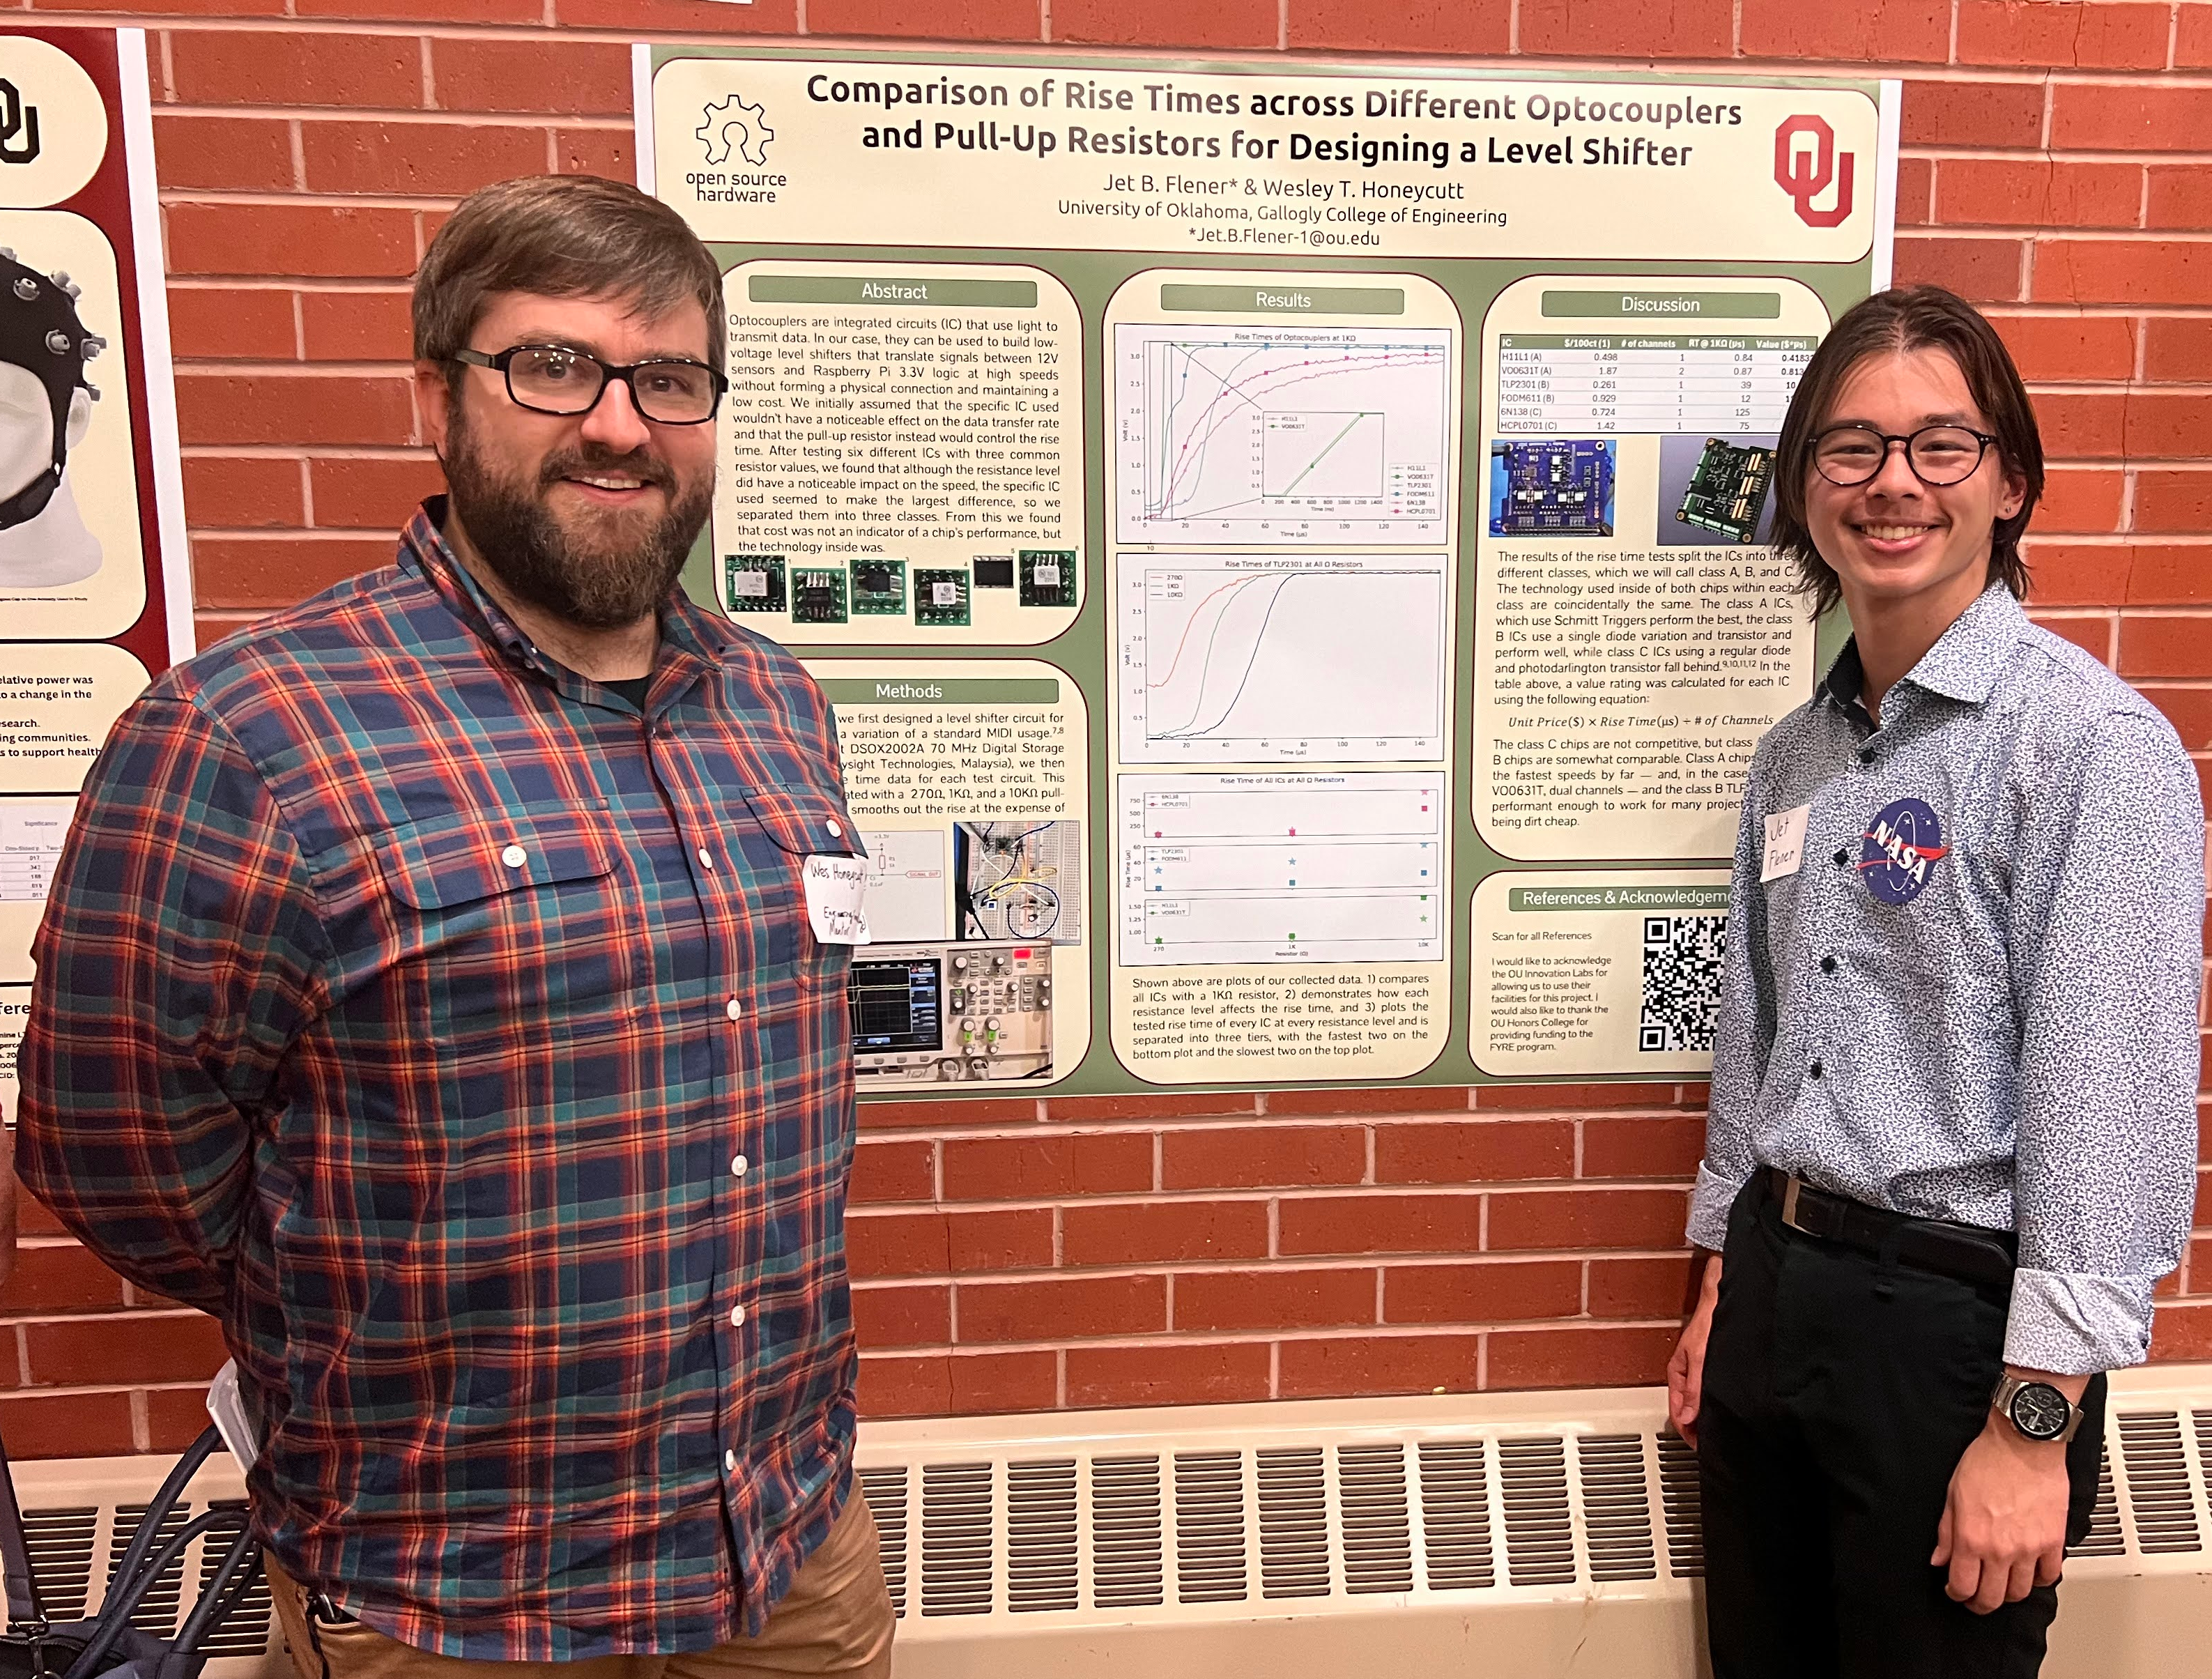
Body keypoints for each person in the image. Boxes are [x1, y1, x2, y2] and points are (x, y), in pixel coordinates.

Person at [16, 174, 893, 1676]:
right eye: (552, 366)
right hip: (447, 1593)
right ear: (438, 397)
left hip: (782, 1556)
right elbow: (121, 1160)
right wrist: (358, 1295)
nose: (618, 425)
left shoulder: (775, 705)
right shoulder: (249, 733)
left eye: (668, 380)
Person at [1666, 284, 2204, 1676]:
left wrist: (2034, 1427)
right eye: (1849, 447)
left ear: (2007, 481)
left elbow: (2108, 1102)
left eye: (1939, 444)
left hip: (1953, 1337)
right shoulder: (1795, 754)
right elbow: (1757, 1034)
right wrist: (1721, 1283)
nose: (1891, 481)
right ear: (1805, 489)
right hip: (1774, 1297)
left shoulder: (2088, 748)